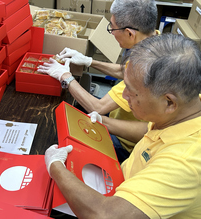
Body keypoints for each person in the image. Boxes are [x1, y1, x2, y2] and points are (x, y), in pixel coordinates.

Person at [45, 33, 201, 218]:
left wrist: (56, 167)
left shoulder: (184, 163)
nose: (124, 96)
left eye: (131, 91)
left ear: (169, 103)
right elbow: (148, 129)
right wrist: (105, 122)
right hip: (119, 180)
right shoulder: (187, 107)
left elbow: (106, 215)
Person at [37, 0, 159, 163]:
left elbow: (98, 107)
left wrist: (66, 77)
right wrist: (89, 61)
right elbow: (125, 70)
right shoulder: (154, 40)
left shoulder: (147, 65)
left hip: (125, 143)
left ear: (130, 33)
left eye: (113, 28)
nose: (112, 33)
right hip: (119, 116)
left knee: (54, 138)